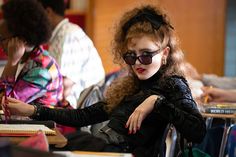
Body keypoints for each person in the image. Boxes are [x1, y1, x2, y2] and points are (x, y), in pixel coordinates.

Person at [3, 5, 206, 156]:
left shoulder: (173, 84)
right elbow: (83, 117)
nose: (137, 63)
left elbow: (198, 131)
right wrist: (33, 110)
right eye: (130, 56)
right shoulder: (131, 86)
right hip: (102, 149)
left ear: (164, 54)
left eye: (146, 55)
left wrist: (156, 102)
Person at [37, 0, 105, 108]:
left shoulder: (69, 35)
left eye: (37, 15)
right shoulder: (59, 35)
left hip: (81, 109)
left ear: (48, 12)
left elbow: (64, 85)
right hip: (72, 105)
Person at [0, 0, 64, 107]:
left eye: (2, 38)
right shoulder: (36, 58)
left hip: (40, 123)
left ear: (20, 39)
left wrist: (12, 62)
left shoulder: (41, 70)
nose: (0, 45)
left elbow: (5, 103)